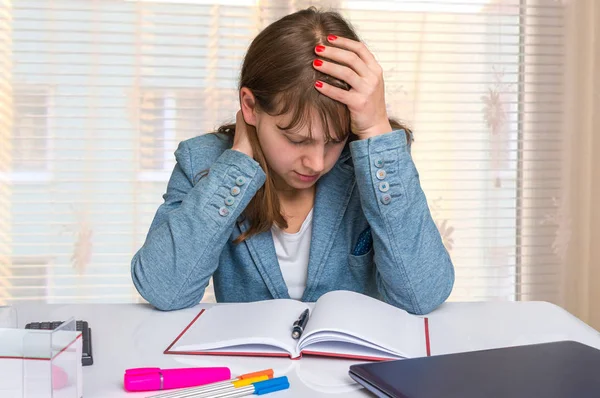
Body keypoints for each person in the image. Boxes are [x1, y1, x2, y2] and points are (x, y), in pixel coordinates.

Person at [131, 7, 454, 314]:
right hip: (254, 370)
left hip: (350, 368)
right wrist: (239, 162)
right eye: (297, 139)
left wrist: (375, 129)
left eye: (334, 141)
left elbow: (421, 295)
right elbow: (163, 289)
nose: (315, 162)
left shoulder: (376, 161)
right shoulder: (201, 161)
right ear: (250, 105)